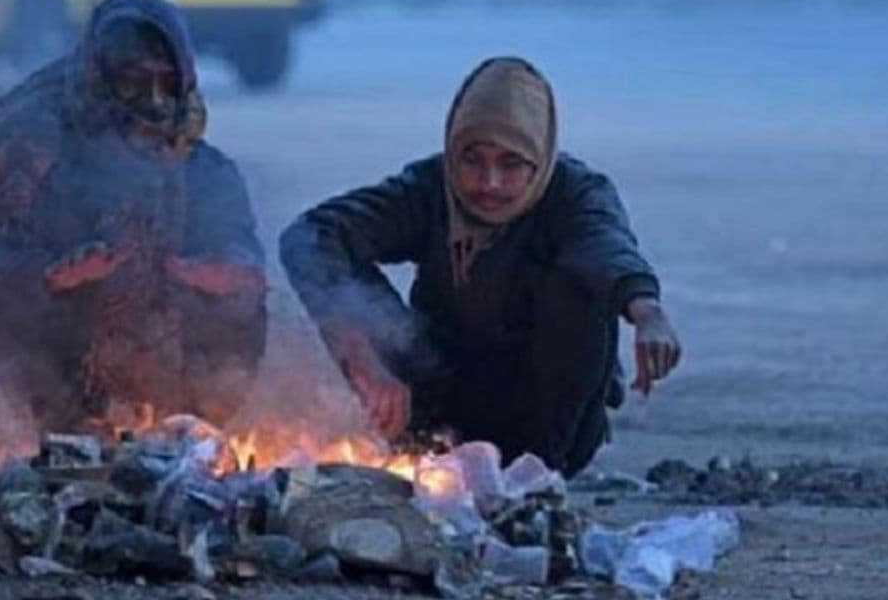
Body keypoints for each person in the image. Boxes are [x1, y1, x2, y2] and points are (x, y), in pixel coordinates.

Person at [280, 57, 680, 476]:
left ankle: (535, 479)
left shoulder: (573, 194)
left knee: (577, 288)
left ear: (539, 159)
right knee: (351, 291)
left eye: (511, 165)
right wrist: (361, 357)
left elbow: (603, 246)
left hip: (544, 418)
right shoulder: (429, 188)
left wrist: (645, 308)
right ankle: (424, 449)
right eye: (472, 160)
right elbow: (314, 235)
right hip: (441, 404)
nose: (489, 183)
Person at [0, 0, 266, 431]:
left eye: (166, 83)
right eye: (131, 82)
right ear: (100, 79)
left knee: (235, 305)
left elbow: (237, 250)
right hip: (36, 356)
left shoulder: (202, 167)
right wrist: (55, 276)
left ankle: (177, 432)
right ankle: (30, 435)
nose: (152, 102)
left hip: (144, 353)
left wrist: (224, 273)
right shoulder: (27, 146)